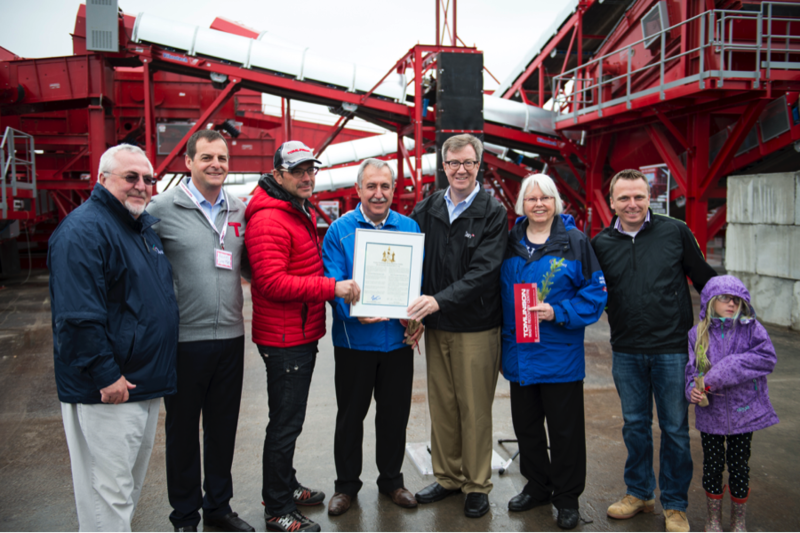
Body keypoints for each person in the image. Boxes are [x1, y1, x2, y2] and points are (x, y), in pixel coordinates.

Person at [48, 144, 179, 532]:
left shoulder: (139, 228)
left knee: (125, 490)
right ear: (102, 179)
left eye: (148, 178)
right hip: (109, 389)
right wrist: (105, 375)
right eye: (130, 177)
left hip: (141, 382)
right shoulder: (83, 231)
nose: (141, 185)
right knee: (107, 495)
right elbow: (77, 317)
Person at [591, 169, 717, 533]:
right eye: (624, 198)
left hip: (672, 349)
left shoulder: (675, 232)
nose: (632, 204)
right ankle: (640, 493)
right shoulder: (600, 244)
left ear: (650, 198)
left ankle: (675, 504)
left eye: (639, 197)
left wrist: (732, 319)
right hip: (626, 348)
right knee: (635, 426)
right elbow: (589, 290)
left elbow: (705, 279)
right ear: (612, 202)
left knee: (675, 429)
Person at [245, 140, 360, 533]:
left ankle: (286, 485)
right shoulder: (270, 218)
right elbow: (272, 282)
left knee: (288, 419)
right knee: (284, 424)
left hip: (296, 332)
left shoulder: (292, 208)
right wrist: (332, 287)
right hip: (284, 338)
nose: (307, 177)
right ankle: (277, 508)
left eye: (311, 169)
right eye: (297, 171)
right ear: (278, 175)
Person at [147, 130, 253, 533]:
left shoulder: (239, 210)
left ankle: (219, 507)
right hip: (184, 341)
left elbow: (251, 266)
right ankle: (185, 516)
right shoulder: (161, 208)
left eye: (222, 158)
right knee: (183, 433)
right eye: (207, 157)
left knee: (223, 428)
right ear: (188, 162)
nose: (216, 165)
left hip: (230, 337)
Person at [407, 133, 508, 519]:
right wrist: (414, 311)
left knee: (475, 408)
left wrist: (437, 301)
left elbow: (484, 272)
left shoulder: (492, 212)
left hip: (476, 327)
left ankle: (477, 484)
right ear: (444, 166)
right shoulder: (428, 207)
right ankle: (448, 477)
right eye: (453, 163)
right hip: (437, 325)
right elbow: (413, 261)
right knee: (443, 405)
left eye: (468, 162)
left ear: (479, 165)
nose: (460, 170)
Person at [499, 174, 607, 529]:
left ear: (555, 202)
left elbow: (595, 294)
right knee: (527, 427)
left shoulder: (574, 242)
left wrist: (558, 311)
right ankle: (537, 486)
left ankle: (567, 497)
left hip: (559, 353)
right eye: (532, 199)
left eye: (545, 198)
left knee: (564, 431)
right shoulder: (511, 240)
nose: (539, 204)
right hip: (519, 353)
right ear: (522, 204)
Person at [321, 158, 424, 516]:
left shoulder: (409, 228)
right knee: (351, 417)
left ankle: (392, 481)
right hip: (355, 342)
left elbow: (417, 281)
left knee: (394, 416)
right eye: (371, 186)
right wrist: (352, 309)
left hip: (397, 341)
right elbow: (333, 280)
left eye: (385, 186)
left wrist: (417, 315)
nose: (378, 194)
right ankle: (346, 486)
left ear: (394, 190)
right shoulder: (339, 231)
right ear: (358, 190)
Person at [685, 275, 779, 533]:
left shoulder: (751, 329)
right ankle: (713, 520)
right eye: (725, 298)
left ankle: (738, 521)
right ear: (710, 301)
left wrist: (728, 367)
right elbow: (691, 371)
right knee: (713, 467)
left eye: (737, 300)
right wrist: (691, 390)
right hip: (711, 414)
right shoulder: (697, 334)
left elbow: (767, 358)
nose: (732, 304)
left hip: (743, 413)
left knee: (739, 467)